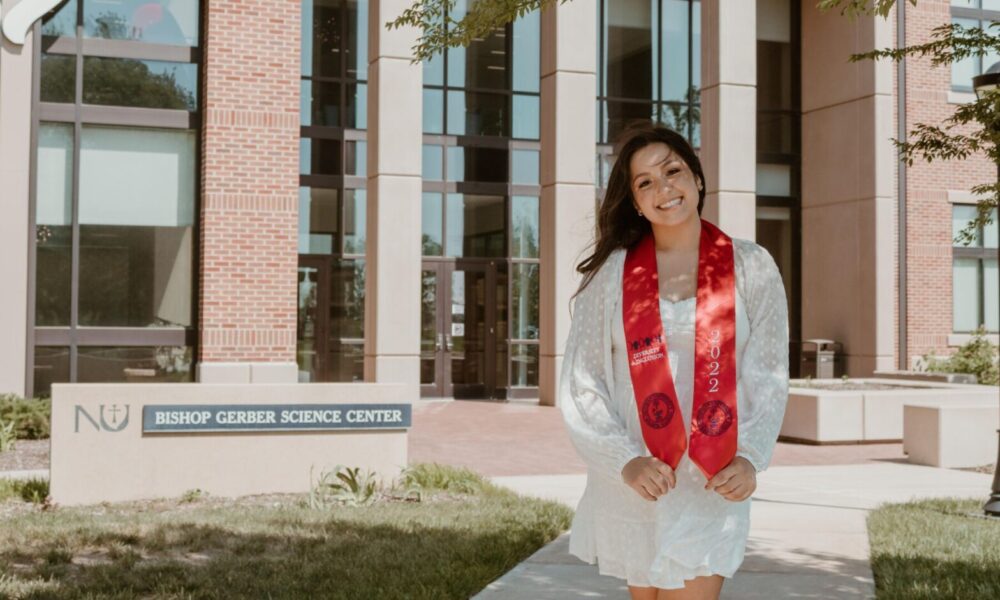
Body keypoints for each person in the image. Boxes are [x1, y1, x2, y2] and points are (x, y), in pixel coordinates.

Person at [559, 122, 789, 600]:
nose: (664, 188)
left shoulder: (750, 266)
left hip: (711, 479)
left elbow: (766, 374)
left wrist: (750, 458)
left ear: (697, 178)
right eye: (645, 183)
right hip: (641, 478)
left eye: (673, 171)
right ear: (635, 203)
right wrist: (624, 462)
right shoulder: (612, 276)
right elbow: (583, 383)